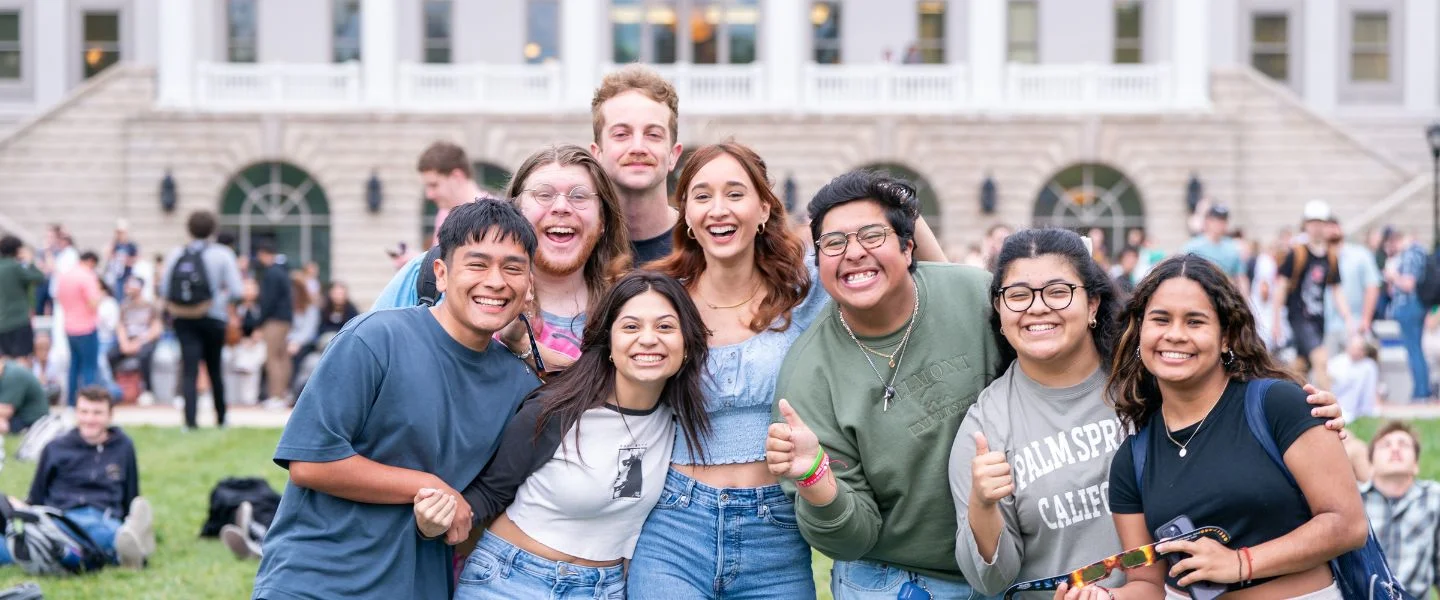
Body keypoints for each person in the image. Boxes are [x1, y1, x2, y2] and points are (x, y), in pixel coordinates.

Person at [251, 199, 542, 600]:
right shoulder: (375, 339)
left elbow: (492, 495)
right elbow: (310, 461)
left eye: (512, 268)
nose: (495, 281)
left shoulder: (519, 385)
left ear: (529, 285)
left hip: (417, 586)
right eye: (477, 264)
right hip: (317, 581)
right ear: (441, 273)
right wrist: (426, 485)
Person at [764, 169, 999, 599]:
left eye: (872, 236)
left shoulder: (977, 298)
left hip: (1016, 564)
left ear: (908, 247)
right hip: (896, 579)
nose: (853, 253)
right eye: (834, 243)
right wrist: (816, 479)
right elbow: (854, 538)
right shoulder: (808, 374)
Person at [416, 271, 710, 599]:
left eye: (665, 326)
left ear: (686, 343)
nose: (648, 339)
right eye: (630, 326)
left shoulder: (679, 420)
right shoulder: (558, 410)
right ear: (609, 343)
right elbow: (489, 494)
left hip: (605, 589)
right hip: (511, 580)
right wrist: (434, 523)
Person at [1103, 254, 1367, 600]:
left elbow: (1347, 524)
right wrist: (1104, 598)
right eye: (1161, 320)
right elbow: (1147, 585)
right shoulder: (1133, 459)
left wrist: (1242, 563)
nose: (1175, 335)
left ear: (1226, 337)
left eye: (1195, 322)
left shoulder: (1279, 406)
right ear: (1140, 331)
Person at [371, 145, 633, 376]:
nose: (562, 207)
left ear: (603, 221)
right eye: (543, 194)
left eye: (579, 196)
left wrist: (527, 349)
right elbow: (365, 363)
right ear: (516, 210)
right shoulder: (429, 276)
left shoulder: (630, 310)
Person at [11, 386, 155, 569]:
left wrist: (130, 516)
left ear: (110, 416)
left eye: (97, 413)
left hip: (103, 515)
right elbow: (37, 494)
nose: (89, 419)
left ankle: (120, 543)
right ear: (76, 414)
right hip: (61, 516)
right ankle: (121, 549)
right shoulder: (55, 447)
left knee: (100, 530)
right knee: (12, 545)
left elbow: (131, 492)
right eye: (84, 412)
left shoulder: (123, 446)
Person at [589, 65, 685, 265]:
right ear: (597, 154)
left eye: (653, 134)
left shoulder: (700, 244)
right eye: (622, 134)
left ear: (673, 155)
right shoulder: (577, 248)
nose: (638, 147)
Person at [160, 210, 244, 430]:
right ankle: (221, 417)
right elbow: (237, 290)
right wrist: (219, 298)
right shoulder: (222, 254)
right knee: (215, 368)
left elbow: (164, 288)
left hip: (184, 317)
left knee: (189, 369)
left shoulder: (177, 253)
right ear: (212, 230)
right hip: (213, 317)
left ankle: (189, 421)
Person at [1274, 199, 1354, 391]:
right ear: (1306, 225)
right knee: (1321, 359)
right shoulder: (1298, 253)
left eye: (1321, 223)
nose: (1317, 228)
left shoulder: (1330, 256)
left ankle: (1280, 390)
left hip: (1318, 319)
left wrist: (1348, 318)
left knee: (1300, 366)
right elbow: (1281, 286)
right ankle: (1333, 413)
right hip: (1299, 317)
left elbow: (1336, 290)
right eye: (1313, 223)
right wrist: (1276, 320)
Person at [1360, 420, 1440, 600]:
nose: (1395, 449)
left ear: (1416, 465)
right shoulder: (1354, 500)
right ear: (1371, 464)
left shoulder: (1434, 498)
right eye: (1386, 445)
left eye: (1403, 445)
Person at [1382, 229, 1432, 402]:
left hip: (1409, 308)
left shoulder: (1410, 255)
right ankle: (1422, 390)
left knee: (1414, 350)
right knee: (1416, 349)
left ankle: (1421, 392)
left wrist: (1392, 275)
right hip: (1415, 307)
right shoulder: (1419, 253)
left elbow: (1408, 284)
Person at [419, 141, 494, 245]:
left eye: (434, 185)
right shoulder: (444, 212)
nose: (429, 195)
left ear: (456, 177)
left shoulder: (493, 215)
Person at [54, 250, 102, 407]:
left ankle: (71, 402)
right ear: (91, 261)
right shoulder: (87, 276)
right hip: (86, 327)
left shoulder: (65, 276)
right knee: (89, 368)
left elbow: (59, 298)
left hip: (69, 327)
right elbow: (93, 303)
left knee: (74, 366)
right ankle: (90, 402)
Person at [1323, 215, 1380, 347]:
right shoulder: (1318, 258)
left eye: (1334, 228)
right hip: (1325, 326)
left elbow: (1372, 286)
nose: (1331, 233)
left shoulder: (1360, 255)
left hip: (1354, 324)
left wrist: (1366, 319)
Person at [110, 276, 162, 405]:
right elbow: (120, 326)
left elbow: (156, 328)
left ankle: (148, 391)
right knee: (111, 355)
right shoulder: (124, 305)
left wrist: (139, 342)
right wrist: (124, 343)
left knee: (145, 356)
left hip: (145, 341)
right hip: (128, 341)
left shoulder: (150, 305)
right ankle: (114, 389)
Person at [254, 242, 292, 407]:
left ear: (264, 254)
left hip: (274, 321)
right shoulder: (283, 271)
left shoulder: (271, 273)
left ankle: (276, 396)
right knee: (282, 357)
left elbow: (267, 301)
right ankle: (283, 394)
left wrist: (260, 321)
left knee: (273, 358)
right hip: (285, 320)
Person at [1183, 204, 1248, 294]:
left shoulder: (1233, 247)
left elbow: (1240, 277)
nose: (1219, 224)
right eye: (1216, 220)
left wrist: (1245, 299)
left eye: (1223, 221)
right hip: (1201, 292)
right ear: (1208, 221)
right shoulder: (1193, 246)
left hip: (1225, 294)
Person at [0, 236, 43, 364]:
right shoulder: (15, 267)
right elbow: (38, 277)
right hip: (19, 320)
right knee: (22, 358)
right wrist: (30, 262)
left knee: (5, 359)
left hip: (2, 321)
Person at [0, 357, 47, 434]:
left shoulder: (12, 375)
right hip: (21, 415)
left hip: (33, 420)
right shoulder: (6, 369)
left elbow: (7, 410)